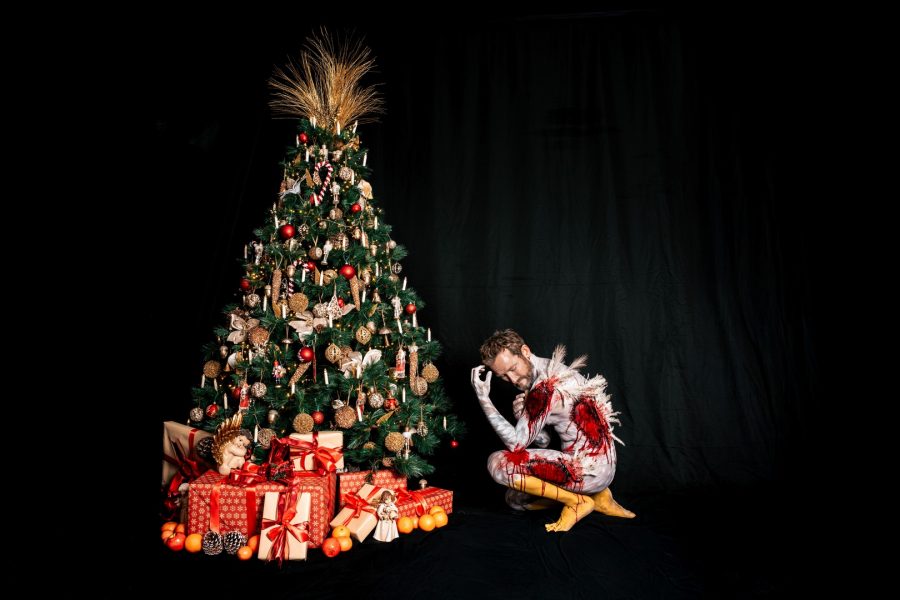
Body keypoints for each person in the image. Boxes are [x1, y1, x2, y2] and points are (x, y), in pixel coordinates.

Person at [471, 329, 635, 532]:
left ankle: (577, 502)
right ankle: (599, 496)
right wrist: (522, 416)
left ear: (525, 351)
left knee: (497, 464)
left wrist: (484, 398)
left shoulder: (544, 388)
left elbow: (516, 445)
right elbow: (543, 441)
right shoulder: (552, 369)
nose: (512, 379)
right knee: (515, 499)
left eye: (513, 368)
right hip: (602, 470)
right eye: (503, 376)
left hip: (586, 471)